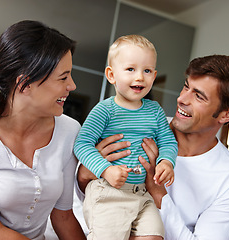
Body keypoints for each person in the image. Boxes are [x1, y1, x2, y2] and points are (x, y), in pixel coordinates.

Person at [77, 54, 229, 240]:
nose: (182, 99)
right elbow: (75, 203)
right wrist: (84, 175)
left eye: (199, 96)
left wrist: (158, 193)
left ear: (227, 115)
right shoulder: (134, 127)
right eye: (186, 86)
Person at [0, 20, 86, 240]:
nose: (72, 86)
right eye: (63, 77)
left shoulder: (69, 130)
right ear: (24, 84)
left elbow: (63, 216)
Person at [74, 35, 178, 240]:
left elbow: (168, 141)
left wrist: (167, 161)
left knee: (154, 235)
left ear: (154, 76)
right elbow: (82, 144)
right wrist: (106, 169)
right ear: (111, 75)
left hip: (142, 195)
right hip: (109, 193)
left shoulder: (155, 111)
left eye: (147, 71)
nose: (140, 77)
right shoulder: (104, 110)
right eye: (131, 69)